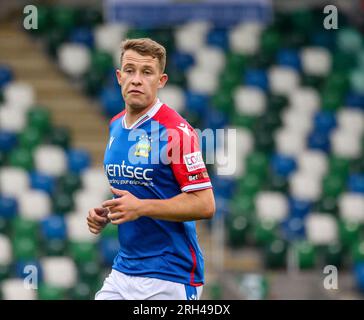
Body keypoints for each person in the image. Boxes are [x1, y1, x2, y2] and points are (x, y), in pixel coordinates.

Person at [87, 38, 215, 300]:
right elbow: (135, 190)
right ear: (119, 76)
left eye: (147, 72)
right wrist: (106, 213)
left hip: (169, 275)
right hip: (124, 270)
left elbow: (205, 205)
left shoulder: (176, 132)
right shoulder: (115, 125)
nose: (137, 79)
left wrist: (141, 207)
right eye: (130, 71)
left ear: (161, 81)